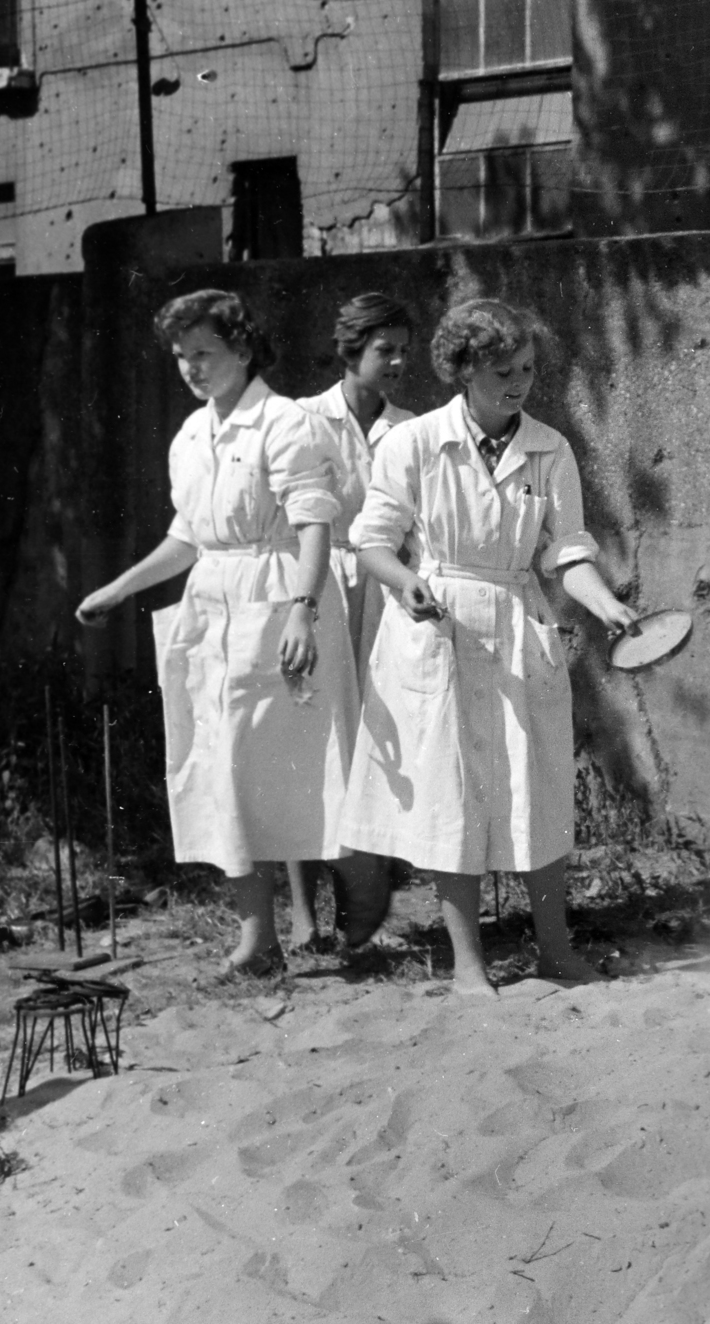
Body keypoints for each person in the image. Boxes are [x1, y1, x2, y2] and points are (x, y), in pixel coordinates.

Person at [334, 297, 638, 993]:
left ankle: (555, 950)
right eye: (503, 370)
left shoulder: (550, 448)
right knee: (452, 795)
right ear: (462, 372)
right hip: (436, 625)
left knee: (537, 788)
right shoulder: (411, 445)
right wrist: (407, 583)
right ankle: (468, 961)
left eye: (528, 368)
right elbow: (371, 541)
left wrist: (607, 604)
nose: (520, 383)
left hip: (516, 620)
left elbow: (567, 553)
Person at [75, 289, 357, 975]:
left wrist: (301, 607)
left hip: (278, 600)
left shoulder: (285, 423)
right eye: (180, 356)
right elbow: (189, 538)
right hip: (212, 612)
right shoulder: (189, 437)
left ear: (242, 348)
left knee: (299, 771)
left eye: (203, 352)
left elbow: (313, 522)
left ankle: (357, 907)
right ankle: (258, 936)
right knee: (220, 772)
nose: (191, 368)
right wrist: (119, 589)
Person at [285, 294, 417, 950]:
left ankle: (361, 910)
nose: (396, 361)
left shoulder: (411, 428)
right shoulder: (304, 421)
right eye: (382, 349)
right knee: (311, 743)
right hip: (320, 587)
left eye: (402, 349)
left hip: (384, 594)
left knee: (375, 744)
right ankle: (303, 915)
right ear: (351, 352)